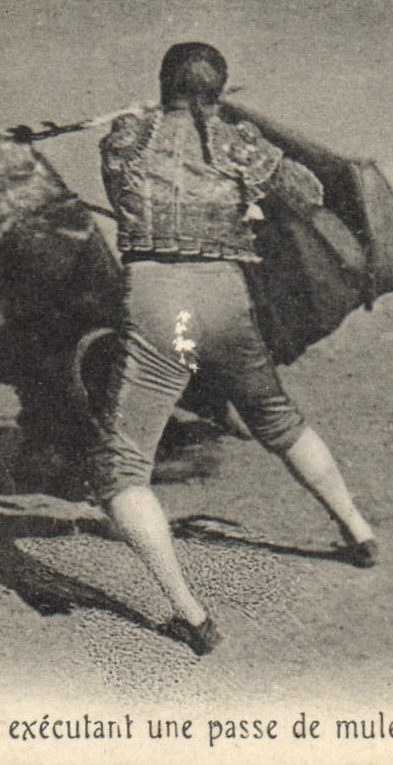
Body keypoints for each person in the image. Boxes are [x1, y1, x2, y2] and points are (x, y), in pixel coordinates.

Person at [95, 42, 378, 656]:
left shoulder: (124, 138)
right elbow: (306, 193)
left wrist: (147, 117)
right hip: (226, 298)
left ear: (164, 83)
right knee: (274, 415)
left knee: (121, 469)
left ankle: (190, 615)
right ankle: (356, 530)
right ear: (218, 90)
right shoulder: (239, 143)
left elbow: (119, 184)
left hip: (157, 303)